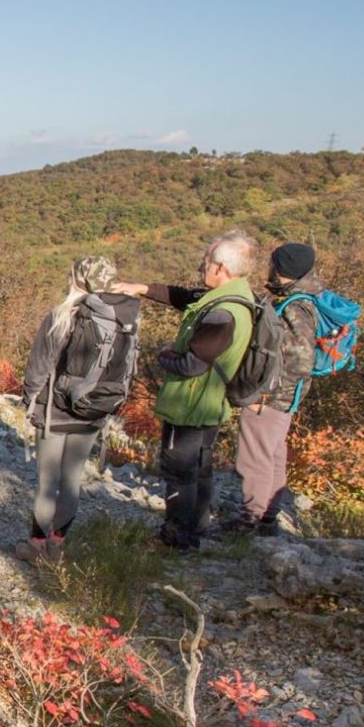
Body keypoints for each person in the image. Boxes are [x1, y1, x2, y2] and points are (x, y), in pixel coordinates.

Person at [110, 230, 257, 551]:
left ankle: (176, 539)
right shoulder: (233, 296)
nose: (200, 267)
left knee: (179, 472)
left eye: (206, 261)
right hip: (209, 404)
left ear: (220, 268)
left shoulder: (222, 313)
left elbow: (193, 364)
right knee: (200, 470)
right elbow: (186, 297)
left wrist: (164, 354)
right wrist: (143, 288)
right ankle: (197, 527)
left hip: (190, 404)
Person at [16, 256, 142, 562]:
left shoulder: (62, 315)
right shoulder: (124, 320)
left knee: (48, 482)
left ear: (78, 280)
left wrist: (28, 400)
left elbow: (39, 367)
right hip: (93, 412)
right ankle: (56, 547)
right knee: (71, 481)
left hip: (55, 412)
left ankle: (35, 547)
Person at [230, 242, 323, 534]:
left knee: (255, 454)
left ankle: (249, 520)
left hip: (273, 395)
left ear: (282, 269)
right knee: (271, 453)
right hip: (284, 395)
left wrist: (266, 393)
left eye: (273, 264)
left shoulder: (296, 306)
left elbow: (300, 358)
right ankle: (267, 517)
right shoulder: (300, 299)